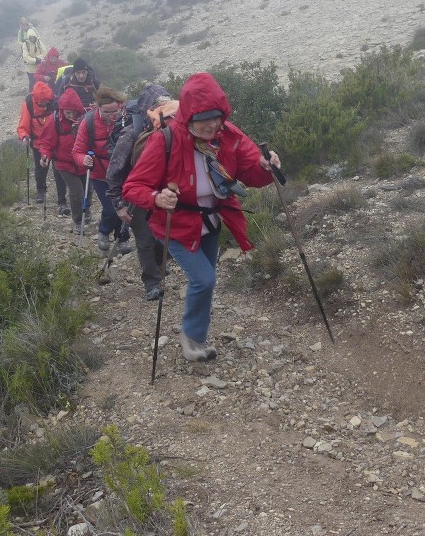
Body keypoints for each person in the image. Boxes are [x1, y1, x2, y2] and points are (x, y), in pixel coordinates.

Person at [122, 73, 281, 362]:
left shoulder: (229, 135)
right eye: (203, 119)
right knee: (204, 280)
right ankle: (192, 340)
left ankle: (197, 337)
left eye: (216, 117)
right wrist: (156, 198)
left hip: (212, 221)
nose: (211, 124)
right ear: (188, 117)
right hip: (177, 225)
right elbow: (132, 188)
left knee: (207, 280)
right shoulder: (165, 141)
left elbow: (250, 175)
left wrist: (266, 167)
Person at [106, 83, 177, 301]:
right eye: (158, 105)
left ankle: (158, 265)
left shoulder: (174, 127)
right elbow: (114, 170)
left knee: (162, 238)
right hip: (136, 193)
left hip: (165, 193)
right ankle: (152, 282)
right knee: (145, 239)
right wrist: (119, 204)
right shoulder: (132, 133)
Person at [73, 86, 132, 255]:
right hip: (99, 174)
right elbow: (77, 151)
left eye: (115, 111)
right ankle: (104, 231)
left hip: (122, 174)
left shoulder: (125, 120)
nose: (112, 116)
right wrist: (83, 159)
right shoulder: (89, 122)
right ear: (98, 108)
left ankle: (122, 236)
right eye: (107, 112)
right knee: (111, 208)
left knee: (125, 206)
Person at [37, 87, 92, 223]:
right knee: (76, 193)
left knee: (88, 192)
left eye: (73, 112)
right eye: (67, 112)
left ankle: (87, 211)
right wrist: (45, 156)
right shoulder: (54, 120)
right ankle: (78, 221)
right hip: (64, 164)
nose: (70, 115)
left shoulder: (86, 117)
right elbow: (46, 143)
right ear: (62, 109)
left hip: (84, 162)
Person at [17, 81, 67, 208]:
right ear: (35, 98)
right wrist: (24, 136)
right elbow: (23, 126)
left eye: (46, 102)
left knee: (59, 169)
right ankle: (41, 190)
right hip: (38, 143)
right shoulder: (28, 104)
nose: (45, 105)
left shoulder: (54, 102)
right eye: (42, 103)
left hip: (56, 143)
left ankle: (62, 199)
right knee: (41, 169)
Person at [19, 18, 47, 90]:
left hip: (40, 67)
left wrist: (38, 59)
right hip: (31, 69)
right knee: (32, 84)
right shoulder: (25, 44)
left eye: (33, 37)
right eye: (31, 38)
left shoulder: (38, 42)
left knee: (41, 84)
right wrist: (36, 60)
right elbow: (26, 57)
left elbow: (45, 52)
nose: (32, 39)